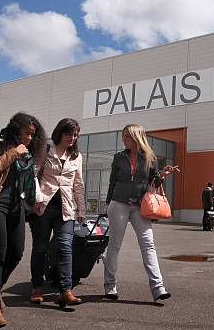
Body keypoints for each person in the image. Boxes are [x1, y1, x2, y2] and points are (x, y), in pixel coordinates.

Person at [0, 112, 46, 327]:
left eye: (32, 135)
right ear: (16, 129)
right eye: (26, 133)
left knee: (16, 253)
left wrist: (35, 200)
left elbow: (29, 181)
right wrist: (13, 153)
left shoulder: (27, 155)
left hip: (17, 208)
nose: (29, 138)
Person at [103, 124, 177, 301]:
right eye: (123, 136)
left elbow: (154, 182)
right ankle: (110, 286)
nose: (124, 140)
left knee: (148, 244)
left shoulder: (150, 158)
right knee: (114, 245)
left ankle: (158, 287)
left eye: (127, 136)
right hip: (118, 203)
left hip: (139, 206)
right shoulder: (119, 157)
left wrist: (163, 174)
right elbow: (112, 182)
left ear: (136, 137)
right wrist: (107, 206)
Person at [29, 118, 85, 307]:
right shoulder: (45, 150)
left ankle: (66, 291)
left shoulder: (77, 156)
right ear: (60, 133)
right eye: (69, 134)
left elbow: (78, 184)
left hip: (66, 207)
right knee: (40, 247)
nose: (72, 138)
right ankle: (37, 287)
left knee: (65, 247)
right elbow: (34, 175)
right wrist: (36, 198)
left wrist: (81, 209)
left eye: (75, 135)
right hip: (43, 205)